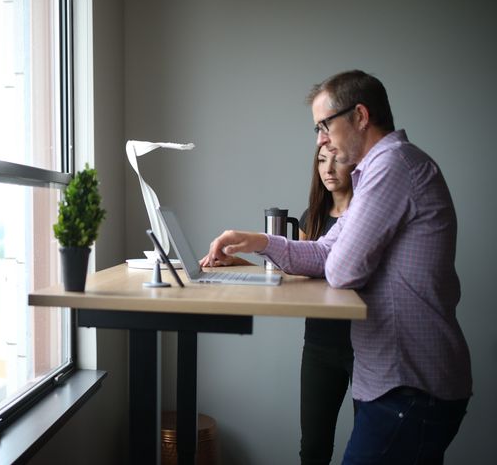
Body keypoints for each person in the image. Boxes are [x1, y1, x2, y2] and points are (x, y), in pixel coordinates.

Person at [201, 70, 472, 464]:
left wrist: (312, 252)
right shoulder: (375, 173)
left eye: (324, 125)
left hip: (410, 385)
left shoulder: (391, 165)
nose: (320, 140)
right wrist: (258, 242)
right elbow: (327, 250)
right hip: (399, 383)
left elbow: (343, 269)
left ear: (360, 116)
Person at [298, 145, 355, 465]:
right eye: (321, 160)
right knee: (314, 448)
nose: (329, 168)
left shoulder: (367, 216)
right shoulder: (312, 217)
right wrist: (238, 262)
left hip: (365, 344)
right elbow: (298, 273)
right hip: (319, 343)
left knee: (367, 446)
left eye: (338, 159)